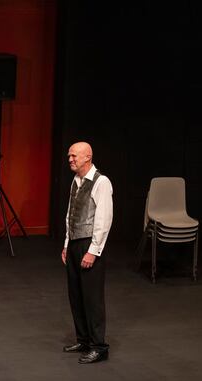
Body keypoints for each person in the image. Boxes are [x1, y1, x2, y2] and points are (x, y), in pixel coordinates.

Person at [60, 141, 113, 364]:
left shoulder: (101, 182)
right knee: (76, 295)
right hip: (74, 243)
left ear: (87, 157)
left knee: (92, 298)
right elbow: (70, 214)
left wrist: (93, 251)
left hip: (89, 245)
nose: (70, 159)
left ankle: (99, 346)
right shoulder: (76, 180)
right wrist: (66, 243)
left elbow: (103, 219)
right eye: (69, 156)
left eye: (74, 156)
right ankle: (83, 339)